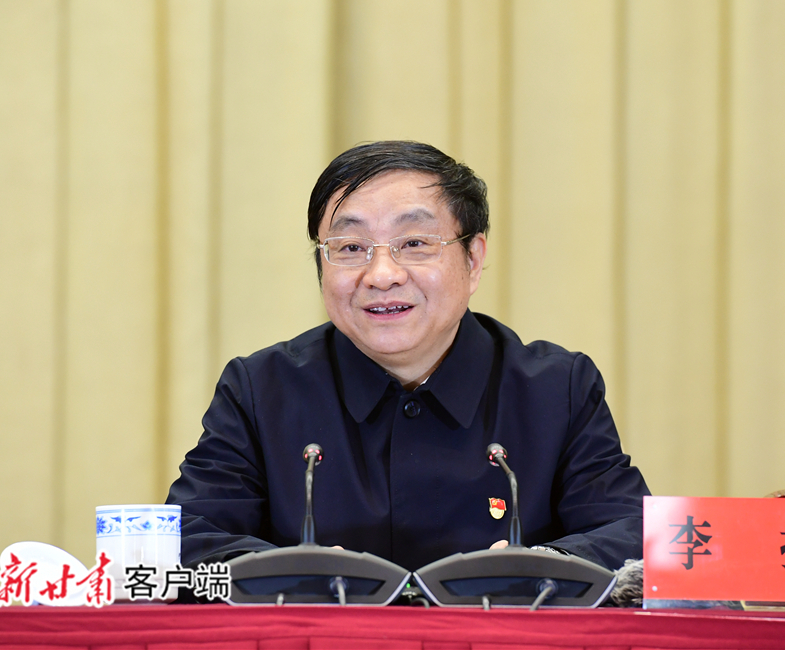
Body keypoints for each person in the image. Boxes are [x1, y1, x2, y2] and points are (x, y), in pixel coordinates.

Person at [166, 140, 649, 577]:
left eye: (414, 244)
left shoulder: (556, 389)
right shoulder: (261, 389)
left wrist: (534, 568)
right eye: (350, 247)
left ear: (473, 259)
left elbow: (635, 535)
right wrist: (310, 578)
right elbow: (186, 536)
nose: (382, 275)